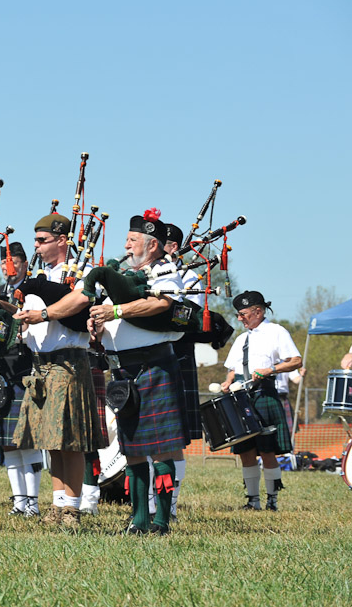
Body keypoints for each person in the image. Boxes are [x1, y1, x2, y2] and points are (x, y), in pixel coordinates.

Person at [88, 209, 188, 535]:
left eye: (133, 240)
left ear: (153, 245)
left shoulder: (165, 269)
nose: (127, 246)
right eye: (127, 240)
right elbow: (105, 317)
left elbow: (162, 304)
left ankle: (161, 520)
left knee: (159, 447)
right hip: (121, 371)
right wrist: (95, 327)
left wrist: (115, 309)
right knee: (130, 450)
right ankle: (139, 519)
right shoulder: (120, 276)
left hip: (153, 366)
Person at [12, 214, 105, 528]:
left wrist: (42, 313)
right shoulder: (37, 276)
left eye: (42, 241)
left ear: (62, 240)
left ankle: (73, 509)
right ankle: (56, 504)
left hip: (69, 362)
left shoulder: (82, 273)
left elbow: (76, 303)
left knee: (71, 440)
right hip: (40, 364)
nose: (36, 247)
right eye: (36, 241)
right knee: (50, 439)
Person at [221, 290, 301, 511]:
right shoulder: (241, 338)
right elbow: (232, 369)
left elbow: (295, 360)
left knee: (267, 450)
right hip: (241, 397)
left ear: (258, 311)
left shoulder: (277, 332)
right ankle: (253, 500)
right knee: (246, 451)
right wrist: (227, 382)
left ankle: (272, 500)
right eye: (238, 314)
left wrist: (270, 369)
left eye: (243, 314)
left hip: (264, 393)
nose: (239, 318)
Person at [0, 241, 44, 517]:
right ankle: (19, 502)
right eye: (5, 263)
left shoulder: (34, 291)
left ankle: (32, 501)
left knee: (28, 440)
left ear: (24, 264)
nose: (8, 268)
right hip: (0, 368)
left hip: (25, 369)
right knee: (7, 441)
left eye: (14, 262)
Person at [160, 222, 202, 519]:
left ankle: (170, 506)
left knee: (174, 439)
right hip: (143, 357)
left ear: (172, 247)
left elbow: (187, 317)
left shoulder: (190, 278)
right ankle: (148, 503)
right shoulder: (142, 274)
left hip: (177, 357)